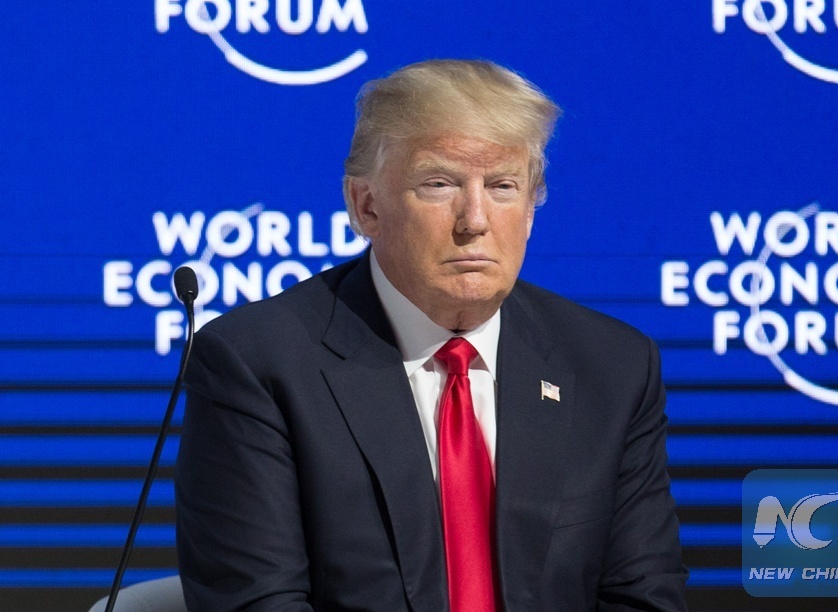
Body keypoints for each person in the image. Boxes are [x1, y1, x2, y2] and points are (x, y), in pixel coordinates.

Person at [175, 59, 688, 611]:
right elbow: (259, 603)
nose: (475, 220)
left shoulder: (611, 367)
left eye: (503, 186)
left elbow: (643, 598)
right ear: (366, 206)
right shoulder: (259, 364)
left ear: (531, 208)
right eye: (439, 184)